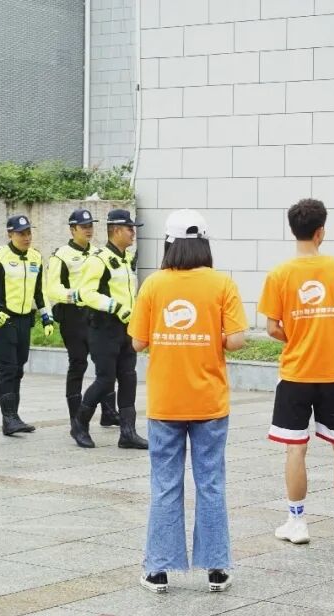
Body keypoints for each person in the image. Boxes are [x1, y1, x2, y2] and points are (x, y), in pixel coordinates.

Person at [128, 209, 247, 594]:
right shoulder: (221, 283)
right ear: (204, 243)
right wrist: (210, 336)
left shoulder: (153, 285)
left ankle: (158, 571)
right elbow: (237, 340)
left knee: (165, 484)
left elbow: (138, 342)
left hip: (166, 402)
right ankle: (216, 569)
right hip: (209, 402)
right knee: (211, 483)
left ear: (168, 244)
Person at [258, 198, 334, 547]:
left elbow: (272, 327)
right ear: (321, 231)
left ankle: (297, 523)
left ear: (293, 230)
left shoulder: (279, 274)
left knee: (295, 448)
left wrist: (298, 335)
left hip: (295, 374)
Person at [46, 208, 120, 449]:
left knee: (105, 364)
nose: (89, 230)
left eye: (91, 225)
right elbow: (52, 289)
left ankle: (109, 412)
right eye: (83, 226)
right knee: (78, 364)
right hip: (73, 316)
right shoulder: (61, 256)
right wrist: (76, 295)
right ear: (72, 229)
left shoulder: (98, 253)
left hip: (96, 316)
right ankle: (75, 417)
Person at [76, 208, 147, 450]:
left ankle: (128, 433)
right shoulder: (98, 260)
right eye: (130, 229)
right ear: (116, 230)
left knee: (128, 378)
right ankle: (79, 424)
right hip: (103, 328)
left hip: (127, 329)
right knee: (106, 380)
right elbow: (86, 293)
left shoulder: (126, 259)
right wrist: (115, 307)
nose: (133, 233)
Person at [0, 215, 55, 436]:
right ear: (10, 234)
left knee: (18, 369)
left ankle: (14, 417)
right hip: (2, 320)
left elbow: (40, 291)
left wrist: (46, 317)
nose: (27, 237)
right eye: (21, 233)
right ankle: (9, 418)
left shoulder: (35, 257)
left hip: (24, 320)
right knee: (8, 369)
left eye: (29, 233)